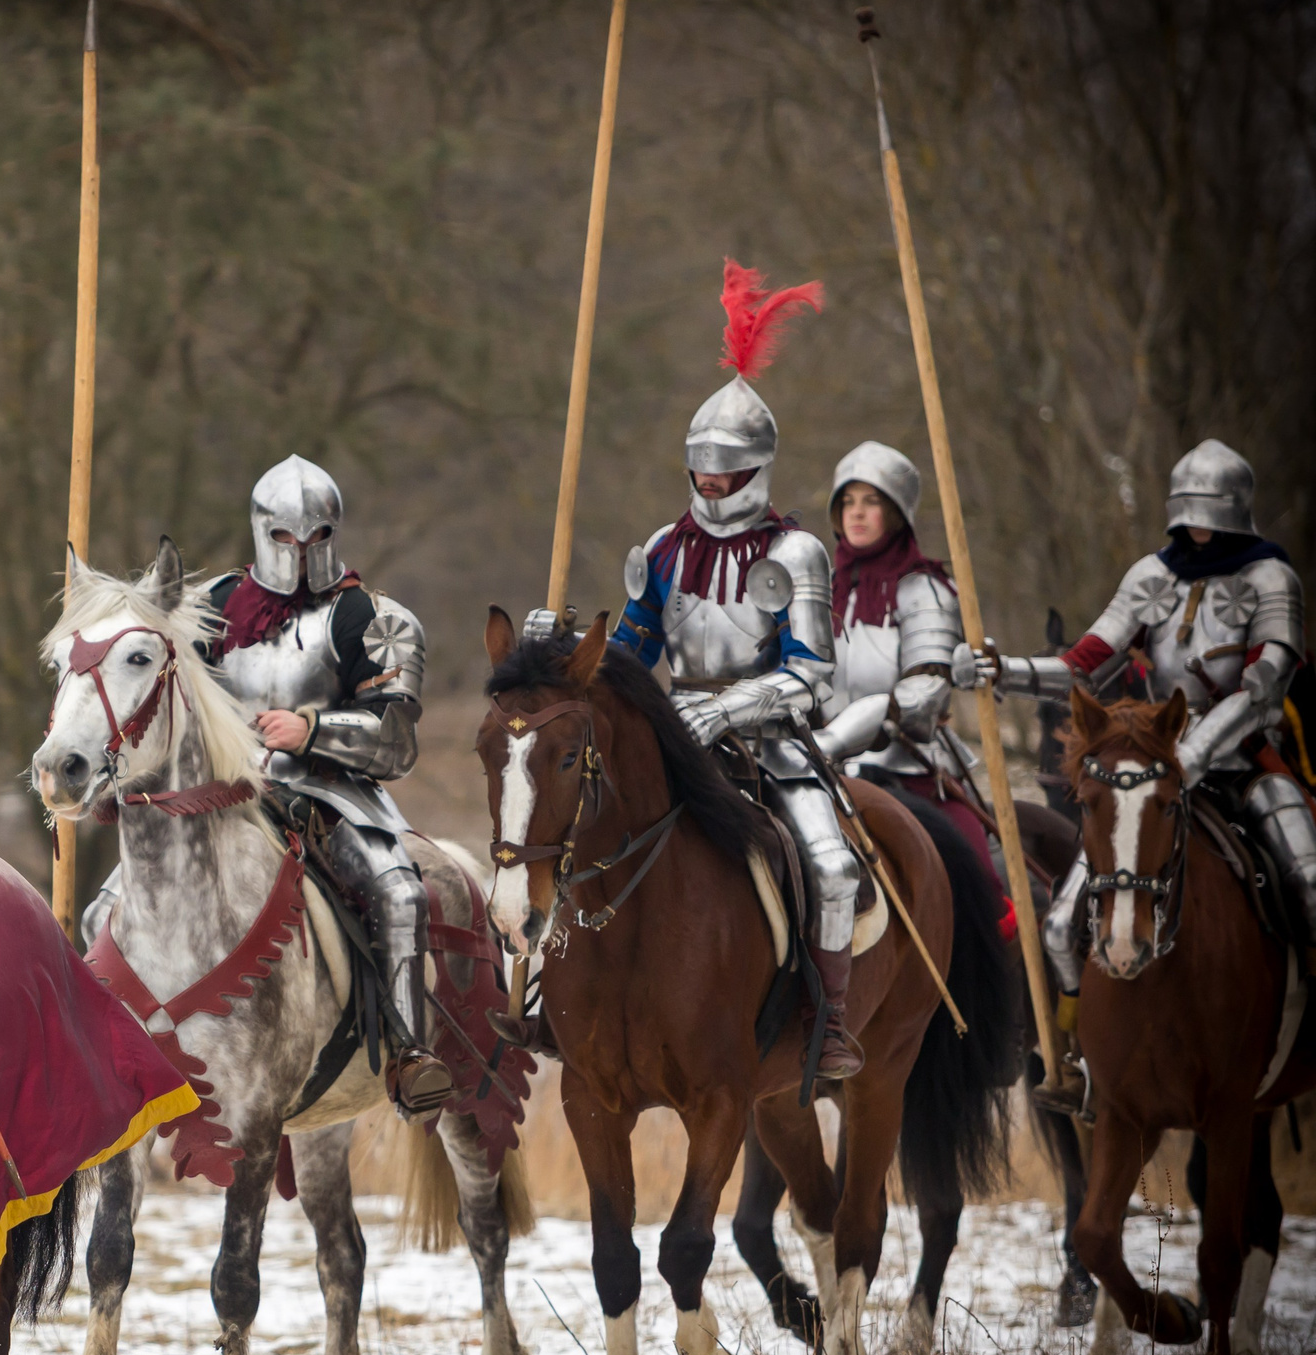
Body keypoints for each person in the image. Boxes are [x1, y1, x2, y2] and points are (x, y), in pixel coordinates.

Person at [538, 261, 864, 1076]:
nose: (715, 486)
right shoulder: (661, 550)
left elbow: (812, 673)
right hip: (669, 731)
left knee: (829, 858)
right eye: (704, 471)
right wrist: (563, 645)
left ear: (759, 471)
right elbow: (637, 653)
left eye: (730, 473)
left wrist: (728, 710)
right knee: (566, 823)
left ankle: (828, 1023)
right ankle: (551, 997)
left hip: (772, 741)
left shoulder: (798, 553)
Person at [81, 455, 452, 1121]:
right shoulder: (211, 608)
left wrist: (310, 728)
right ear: (261, 533)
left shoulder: (371, 618)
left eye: (314, 538)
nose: (300, 552)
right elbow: (159, 701)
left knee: (398, 891)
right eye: (284, 538)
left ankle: (406, 1049)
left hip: (333, 796)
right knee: (99, 912)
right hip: (222, 790)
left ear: (333, 533)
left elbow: (396, 742)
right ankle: (100, 1045)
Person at [961, 438, 1313, 994]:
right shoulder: (1152, 575)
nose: (1199, 525)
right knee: (1059, 925)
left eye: (1210, 511)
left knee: (1310, 883)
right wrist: (1003, 670)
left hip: (1244, 763)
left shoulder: (1270, 578)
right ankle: (1076, 1053)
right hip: (1148, 763)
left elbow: (1264, 689)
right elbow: (1082, 664)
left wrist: (1191, 755)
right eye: (1189, 511)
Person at [807, 442, 1008, 891]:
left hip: (907, 766)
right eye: (849, 502)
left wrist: (865, 731)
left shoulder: (925, 590)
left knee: (977, 881)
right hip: (820, 764)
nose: (857, 513)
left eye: (872, 502)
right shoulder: (820, 590)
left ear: (896, 513)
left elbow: (925, 692)